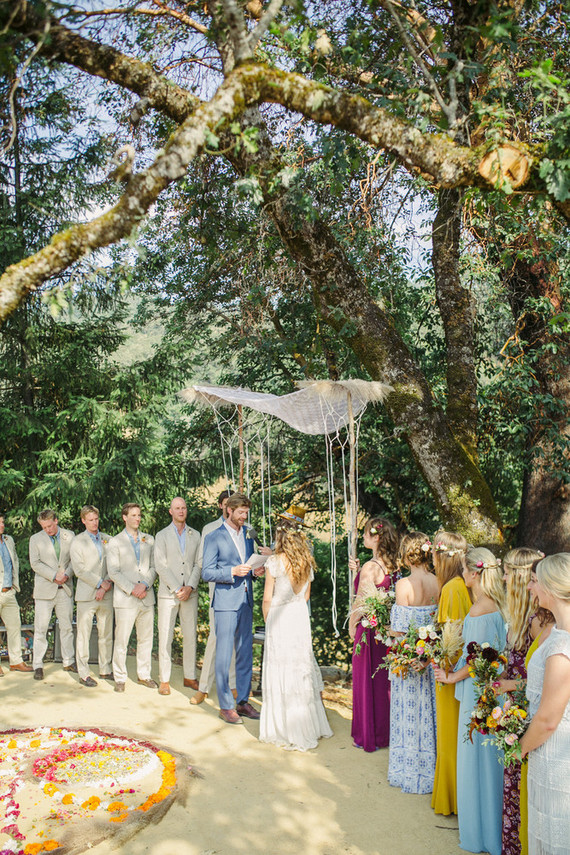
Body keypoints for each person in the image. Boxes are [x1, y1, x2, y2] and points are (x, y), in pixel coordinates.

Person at [433, 547, 507, 855]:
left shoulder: (479, 610)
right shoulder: (498, 605)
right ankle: (495, 831)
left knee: (475, 762)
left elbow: (476, 660)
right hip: (494, 692)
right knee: (490, 763)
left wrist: (450, 677)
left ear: (474, 574)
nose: (462, 574)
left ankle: (480, 834)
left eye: (465, 570)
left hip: (477, 693)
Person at [259, 518, 332, 750]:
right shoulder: (306, 563)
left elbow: (267, 598)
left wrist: (268, 620)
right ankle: (307, 724)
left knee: (281, 667)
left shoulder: (274, 562)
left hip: (280, 619)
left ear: (281, 537)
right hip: (299, 618)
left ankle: (283, 727)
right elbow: (306, 597)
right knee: (300, 667)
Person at [492, 548, 544, 855]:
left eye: (509, 572)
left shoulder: (538, 622)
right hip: (512, 711)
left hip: (528, 716)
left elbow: (545, 682)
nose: (503, 577)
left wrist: (510, 684)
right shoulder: (516, 615)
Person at [520, 553, 570, 855]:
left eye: (535, 581)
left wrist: (520, 747)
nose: (529, 586)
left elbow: (549, 718)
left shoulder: (562, 646)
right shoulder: (559, 634)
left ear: (551, 587)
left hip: (556, 752)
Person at [202, 492, 261, 724]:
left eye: (246, 512)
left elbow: (249, 563)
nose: (244, 516)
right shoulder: (213, 537)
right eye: (240, 512)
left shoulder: (248, 535)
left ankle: (243, 701)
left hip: (246, 600)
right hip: (225, 602)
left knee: (245, 653)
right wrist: (230, 572)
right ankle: (226, 705)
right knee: (224, 654)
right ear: (229, 510)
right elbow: (207, 572)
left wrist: (255, 571)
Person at [388, 531, 439, 793]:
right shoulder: (439, 582)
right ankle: (433, 771)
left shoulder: (403, 585)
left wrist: (385, 628)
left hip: (408, 660)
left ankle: (408, 770)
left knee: (408, 713)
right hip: (431, 661)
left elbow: (398, 630)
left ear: (406, 554)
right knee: (430, 713)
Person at [430, 531, 471, 816]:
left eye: (434, 552)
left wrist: (440, 664)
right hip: (456, 671)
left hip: (450, 672)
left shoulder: (452, 589)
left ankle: (452, 799)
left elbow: (452, 637)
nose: (431, 557)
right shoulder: (458, 586)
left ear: (443, 556)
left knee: (449, 736)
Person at [348, 516, 398, 752]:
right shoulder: (393, 565)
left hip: (368, 632)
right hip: (385, 634)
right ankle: (384, 732)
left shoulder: (371, 566)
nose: (364, 537)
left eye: (367, 533)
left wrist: (351, 626)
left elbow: (361, 601)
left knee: (367, 680)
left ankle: (368, 734)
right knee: (382, 684)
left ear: (376, 537)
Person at [190, 490, 237, 705]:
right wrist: (226, 571)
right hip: (218, 590)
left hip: (240, 591)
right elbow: (201, 561)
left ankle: (233, 685)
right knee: (215, 638)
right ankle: (204, 687)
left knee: (236, 638)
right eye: (227, 504)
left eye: (233, 505)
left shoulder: (245, 529)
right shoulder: (209, 529)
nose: (230, 508)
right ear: (221, 506)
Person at [107, 503, 156, 693]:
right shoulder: (115, 542)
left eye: (139, 515)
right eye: (133, 515)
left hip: (146, 596)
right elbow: (113, 572)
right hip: (125, 598)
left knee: (146, 639)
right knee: (122, 640)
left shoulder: (149, 540)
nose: (138, 518)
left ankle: (144, 675)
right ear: (124, 517)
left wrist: (144, 585)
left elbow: (154, 566)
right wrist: (132, 588)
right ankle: (119, 677)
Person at [155, 497, 201, 695]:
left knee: (190, 635)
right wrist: (177, 588)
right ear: (170, 511)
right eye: (177, 508)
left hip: (190, 593)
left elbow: (199, 563)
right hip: (168, 594)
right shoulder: (162, 535)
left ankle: (189, 676)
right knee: (166, 635)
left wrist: (189, 586)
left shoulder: (196, 535)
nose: (181, 511)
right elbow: (160, 565)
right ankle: (164, 679)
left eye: (183, 508)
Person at [29, 508, 76, 680]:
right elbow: (35, 563)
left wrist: (66, 575)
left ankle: (68, 661)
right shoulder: (35, 539)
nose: (47, 530)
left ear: (56, 520)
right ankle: (38, 665)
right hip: (44, 589)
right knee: (40, 629)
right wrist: (52, 576)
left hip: (64, 588)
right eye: (44, 527)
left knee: (66, 627)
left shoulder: (70, 535)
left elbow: (74, 560)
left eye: (49, 526)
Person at [70, 505, 114, 687]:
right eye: (90, 520)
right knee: (84, 635)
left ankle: (105, 669)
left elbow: (115, 565)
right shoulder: (77, 542)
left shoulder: (109, 540)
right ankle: (84, 673)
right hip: (86, 595)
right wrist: (99, 583)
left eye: (96, 519)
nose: (94, 523)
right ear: (83, 521)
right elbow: (79, 569)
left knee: (106, 633)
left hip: (106, 593)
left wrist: (105, 585)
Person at [0, 512, 33, 674]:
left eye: (2, 522)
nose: (2, 525)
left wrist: (14, 585)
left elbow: (15, 562)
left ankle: (16, 661)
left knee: (14, 626)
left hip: (9, 592)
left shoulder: (8, 540)